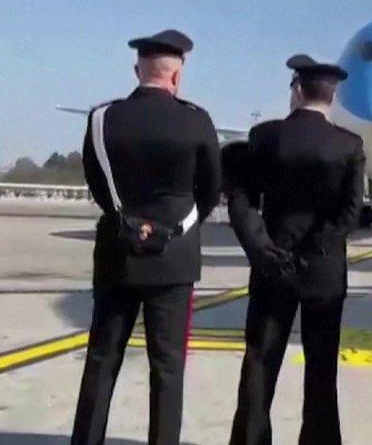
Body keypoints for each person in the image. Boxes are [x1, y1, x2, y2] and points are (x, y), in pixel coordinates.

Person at [72, 29, 221, 444]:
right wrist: (173, 228)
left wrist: (129, 222)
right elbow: (210, 190)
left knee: (102, 360)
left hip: (118, 254)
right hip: (174, 260)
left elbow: (98, 183)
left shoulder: (102, 119)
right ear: (177, 75)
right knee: (168, 368)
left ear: (137, 69)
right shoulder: (196, 120)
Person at [228, 54, 365, 445]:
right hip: (323, 271)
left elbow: (243, 199)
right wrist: (315, 248)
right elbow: (350, 212)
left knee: (260, 361)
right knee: (321, 368)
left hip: (272, 265)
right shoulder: (348, 145)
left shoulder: (265, 137)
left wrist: (262, 247)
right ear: (331, 97)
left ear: (297, 90)